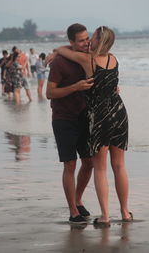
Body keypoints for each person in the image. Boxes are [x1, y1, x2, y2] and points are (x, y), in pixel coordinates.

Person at [53, 26, 132, 226]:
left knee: (100, 168)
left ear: (98, 40)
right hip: (120, 112)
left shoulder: (87, 60)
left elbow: (63, 51)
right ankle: (124, 212)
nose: (89, 41)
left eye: (92, 38)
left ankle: (105, 216)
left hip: (100, 116)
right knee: (120, 165)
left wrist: (55, 51)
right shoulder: (114, 58)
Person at [46, 23, 94, 224]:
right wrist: (75, 87)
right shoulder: (59, 63)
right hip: (63, 117)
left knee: (89, 163)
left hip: (85, 116)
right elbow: (49, 93)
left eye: (87, 38)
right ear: (71, 42)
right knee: (70, 164)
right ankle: (73, 211)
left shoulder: (91, 57)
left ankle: (78, 198)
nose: (86, 42)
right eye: (81, 40)